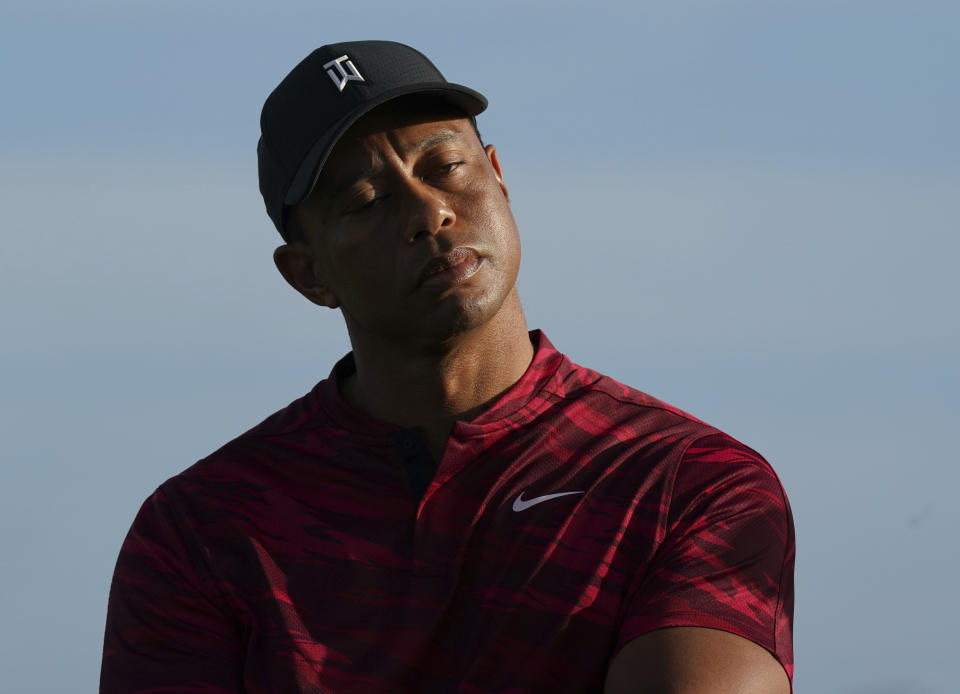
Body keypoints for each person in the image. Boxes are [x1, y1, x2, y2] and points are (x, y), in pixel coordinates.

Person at [100, 40, 794, 693]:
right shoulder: (200, 530)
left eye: (446, 168)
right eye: (365, 201)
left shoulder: (688, 484)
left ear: (499, 177)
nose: (429, 211)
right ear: (308, 275)